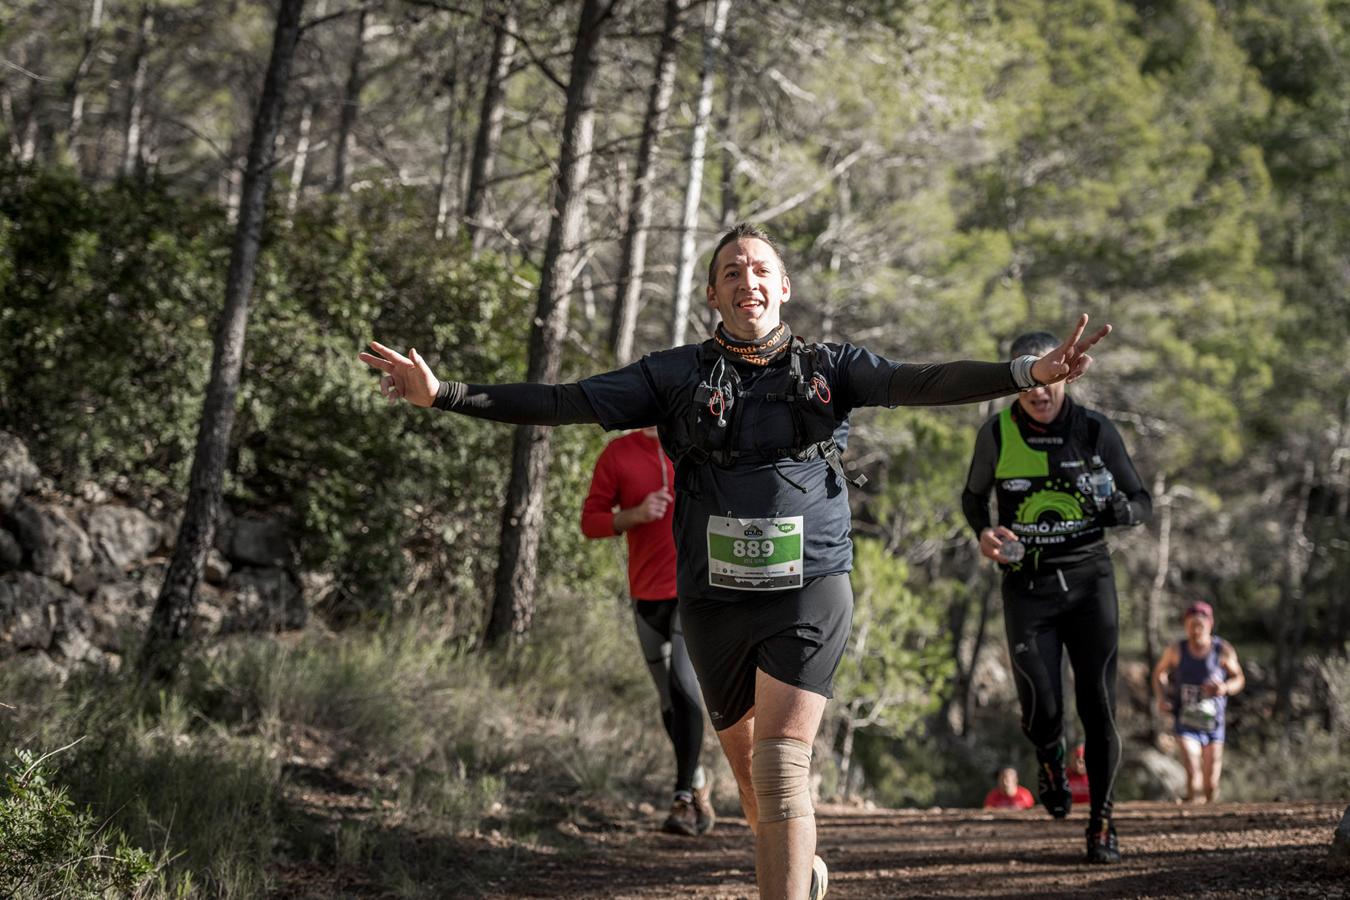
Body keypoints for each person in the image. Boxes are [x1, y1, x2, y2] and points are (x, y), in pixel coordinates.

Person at [362, 223, 1110, 900]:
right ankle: (799, 871)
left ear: (782, 288)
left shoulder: (831, 367)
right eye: (730, 272)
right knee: (755, 782)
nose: (746, 279)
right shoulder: (675, 374)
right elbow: (566, 401)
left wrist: (1024, 373)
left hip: (810, 584)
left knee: (784, 766)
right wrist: (446, 394)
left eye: (760, 269)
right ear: (713, 294)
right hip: (712, 598)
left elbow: (923, 380)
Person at [962, 330, 1150, 865]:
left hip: (1091, 583)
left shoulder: (1094, 429)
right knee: (1043, 707)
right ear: (1018, 380)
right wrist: (983, 533)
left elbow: (1142, 501)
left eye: (1051, 380)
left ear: (1066, 374)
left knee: (1100, 706)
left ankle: (1103, 824)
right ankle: (1049, 758)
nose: (1040, 393)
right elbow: (973, 498)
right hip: (1028, 588)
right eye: (1029, 381)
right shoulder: (996, 433)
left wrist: (1123, 513)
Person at [581, 426, 714, 835]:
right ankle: (697, 781)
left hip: (695, 588)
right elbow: (591, 522)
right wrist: (634, 515)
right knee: (668, 700)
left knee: (683, 682)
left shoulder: (702, 442)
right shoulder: (619, 453)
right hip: (646, 594)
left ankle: (681, 801)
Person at [1152, 600, 1245, 804]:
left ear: (1210, 625)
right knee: (1193, 772)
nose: (1195, 630)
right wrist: (1162, 696)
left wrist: (1225, 688)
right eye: (1191, 625)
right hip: (1186, 722)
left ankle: (1208, 819)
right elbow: (1159, 673)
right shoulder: (1177, 650)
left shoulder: (1222, 650)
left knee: (1211, 784)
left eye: (1200, 625)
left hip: (1214, 724)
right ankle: (1192, 819)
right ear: (1186, 625)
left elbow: (1239, 678)